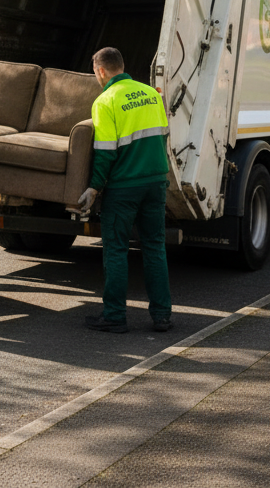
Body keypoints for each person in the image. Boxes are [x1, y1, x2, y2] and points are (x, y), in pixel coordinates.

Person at [77, 47, 173, 334]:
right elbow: (163, 137)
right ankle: (162, 316)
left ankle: (115, 315)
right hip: (156, 182)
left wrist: (94, 187)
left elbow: (105, 152)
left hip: (124, 186)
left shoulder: (105, 101)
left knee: (116, 250)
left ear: (101, 71)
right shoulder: (151, 94)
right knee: (155, 247)